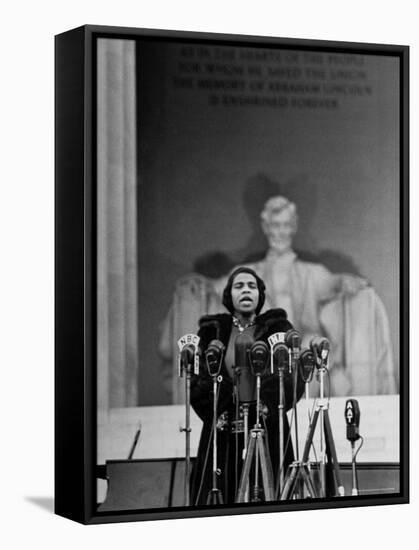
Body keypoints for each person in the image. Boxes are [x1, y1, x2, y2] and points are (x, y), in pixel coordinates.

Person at [159, 195, 396, 401]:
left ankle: (301, 407)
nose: (280, 232)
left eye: (285, 225)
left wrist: (345, 282)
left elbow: (330, 284)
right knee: (249, 350)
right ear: (265, 227)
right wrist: (201, 285)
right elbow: (219, 287)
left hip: (298, 345)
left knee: (307, 347)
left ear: (293, 227)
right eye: (274, 226)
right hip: (259, 347)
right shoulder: (250, 271)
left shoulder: (309, 271)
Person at [190, 267, 305, 505]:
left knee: (270, 494)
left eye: (252, 286)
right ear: (228, 295)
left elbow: (292, 379)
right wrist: (224, 403)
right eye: (239, 286)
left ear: (260, 295)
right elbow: (198, 381)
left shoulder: (278, 328)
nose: (245, 291)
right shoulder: (211, 331)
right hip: (222, 430)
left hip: (267, 426)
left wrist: (264, 402)